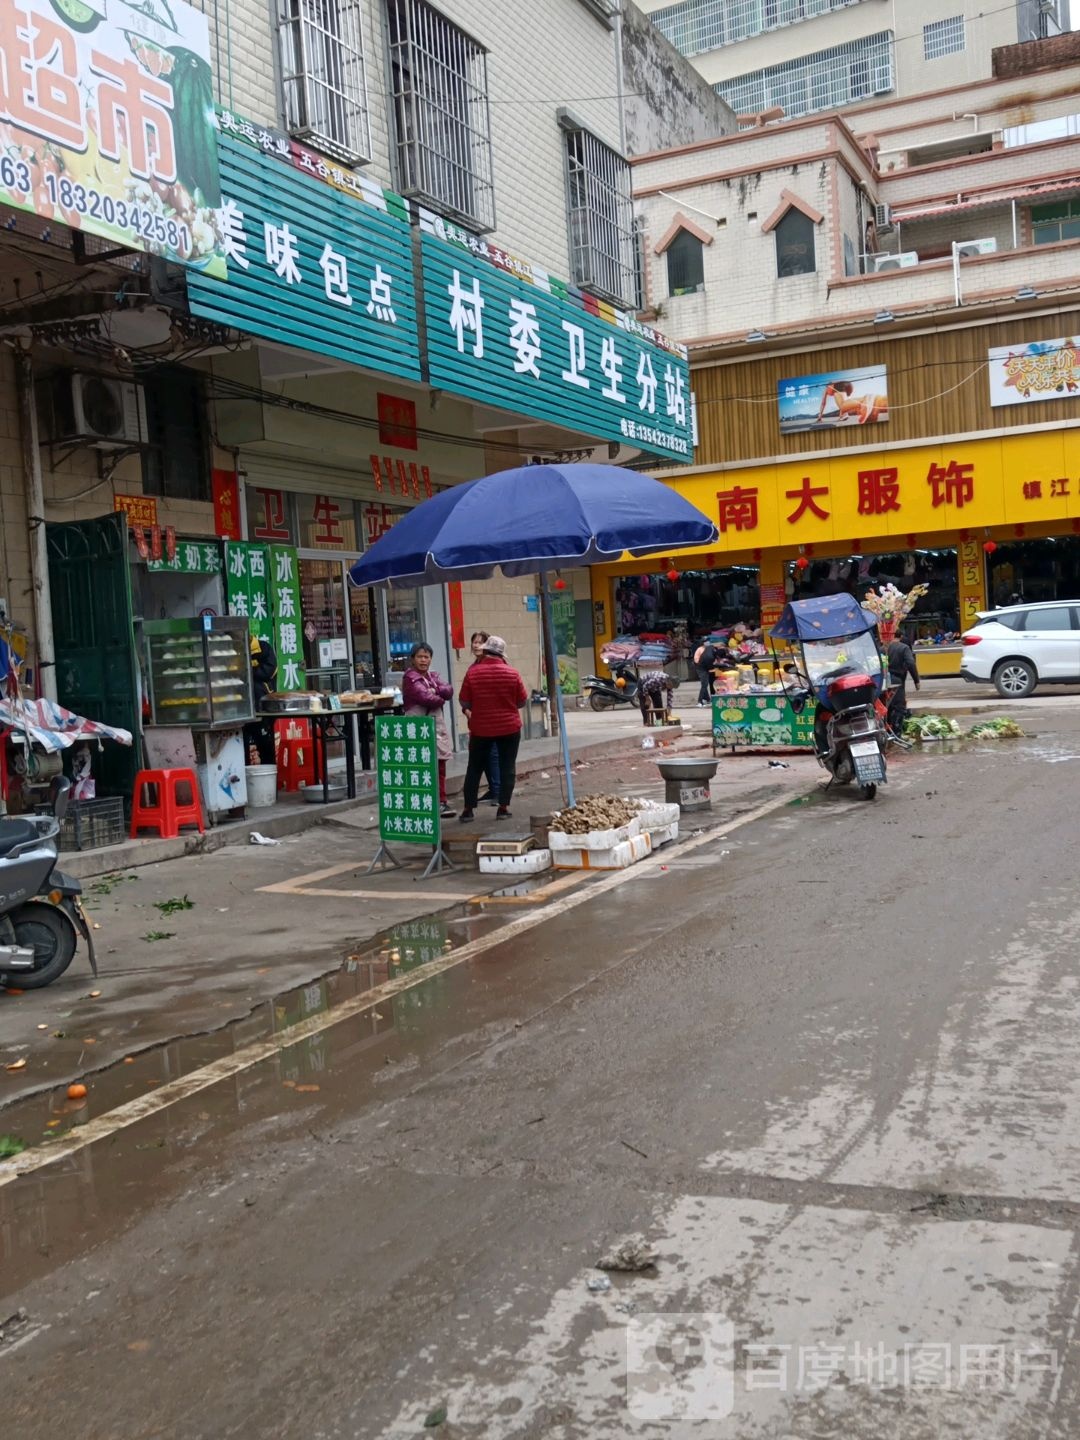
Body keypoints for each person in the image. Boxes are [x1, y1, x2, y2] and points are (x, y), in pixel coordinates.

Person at [457, 636, 528, 821]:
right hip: (509, 728)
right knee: (507, 767)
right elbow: (521, 701)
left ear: (486, 652)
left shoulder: (472, 673)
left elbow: (464, 700)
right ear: (501, 654)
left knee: (474, 767)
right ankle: (503, 808)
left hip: (481, 728)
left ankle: (467, 810)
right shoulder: (513, 674)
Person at [402, 642, 456, 819]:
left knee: (439, 765)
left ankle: (441, 801)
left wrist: (436, 690)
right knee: (421, 766)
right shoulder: (410, 678)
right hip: (418, 729)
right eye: (419, 657)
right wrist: (438, 695)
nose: (423, 660)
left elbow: (449, 690)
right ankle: (423, 802)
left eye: (426, 657)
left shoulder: (433, 676)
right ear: (412, 659)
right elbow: (427, 698)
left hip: (436, 728)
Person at [465, 630, 500, 804]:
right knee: (482, 755)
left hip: (491, 720)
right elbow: (465, 697)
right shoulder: (472, 668)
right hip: (476, 721)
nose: (477, 645)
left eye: (480, 642)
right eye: (475, 642)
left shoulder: (493, 665)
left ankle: (498, 791)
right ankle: (494, 789)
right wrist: (467, 711)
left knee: (492, 754)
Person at [244, 634, 278, 766]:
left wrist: (248, 669)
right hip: (244, 707)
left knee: (265, 742)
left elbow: (269, 671)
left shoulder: (264, 648)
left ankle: (269, 776)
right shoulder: (237, 650)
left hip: (262, 705)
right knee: (243, 745)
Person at [886, 630, 920, 735]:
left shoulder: (883, 648)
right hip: (897, 680)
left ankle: (887, 730)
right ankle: (896, 733)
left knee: (887, 706)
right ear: (900, 637)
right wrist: (916, 680)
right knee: (899, 706)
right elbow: (911, 663)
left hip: (883, 680)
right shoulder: (904, 648)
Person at [693, 637, 717, 707]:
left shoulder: (710, 648)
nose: (708, 642)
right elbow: (696, 660)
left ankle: (708, 699)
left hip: (709, 668)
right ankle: (700, 701)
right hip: (701, 668)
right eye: (706, 641)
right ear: (703, 642)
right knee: (704, 684)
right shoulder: (700, 649)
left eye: (708, 641)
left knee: (710, 683)